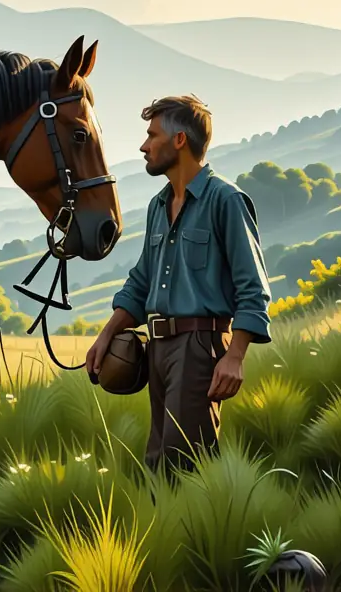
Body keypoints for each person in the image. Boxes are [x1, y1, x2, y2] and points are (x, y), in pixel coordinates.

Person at [86, 94, 272, 475]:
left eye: (152, 135)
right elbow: (141, 282)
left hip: (200, 347)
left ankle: (208, 532)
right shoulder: (158, 205)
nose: (143, 145)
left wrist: (234, 356)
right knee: (157, 460)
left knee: (184, 461)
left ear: (180, 140)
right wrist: (107, 335)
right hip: (157, 348)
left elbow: (253, 287)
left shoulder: (226, 200)